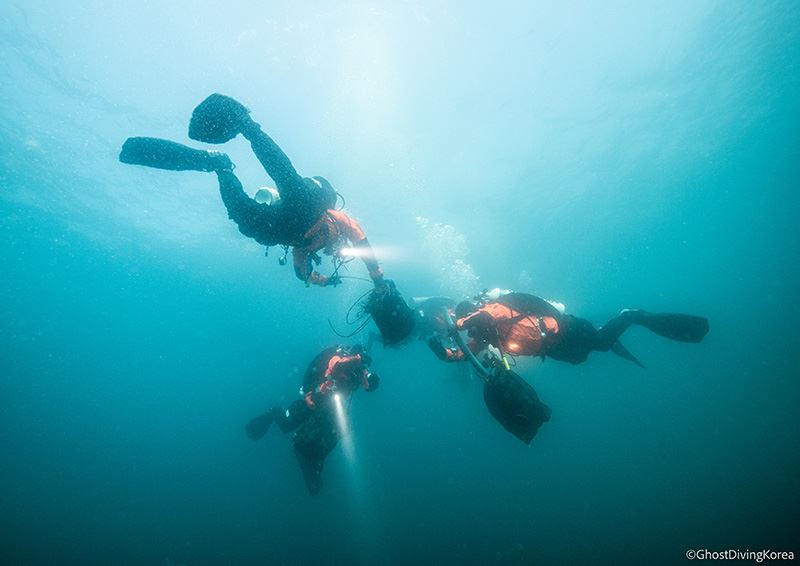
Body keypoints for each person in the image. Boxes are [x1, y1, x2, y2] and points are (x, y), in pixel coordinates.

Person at [119, 93, 384, 288]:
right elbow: (361, 240)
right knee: (291, 184)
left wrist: (325, 282)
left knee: (247, 222)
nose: (333, 251)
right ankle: (245, 123)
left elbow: (302, 274)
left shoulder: (303, 250)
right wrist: (378, 279)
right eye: (338, 248)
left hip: (284, 227)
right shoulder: (337, 221)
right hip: (310, 207)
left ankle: (220, 166)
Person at [428, 289, 709, 368]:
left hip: (568, 329)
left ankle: (630, 316)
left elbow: (483, 315)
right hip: (557, 349)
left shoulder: (494, 309)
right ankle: (613, 324)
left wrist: (458, 324)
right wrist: (445, 354)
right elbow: (465, 354)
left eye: (467, 323)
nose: (470, 334)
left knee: (602, 342)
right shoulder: (483, 335)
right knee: (586, 355)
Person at [245, 345, 379, 495]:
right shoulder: (342, 358)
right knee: (286, 426)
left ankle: (316, 460)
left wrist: (370, 381)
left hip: (328, 406)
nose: (362, 371)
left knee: (339, 431)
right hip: (314, 398)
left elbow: (365, 382)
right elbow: (336, 364)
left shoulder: (357, 371)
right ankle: (274, 413)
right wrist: (358, 358)